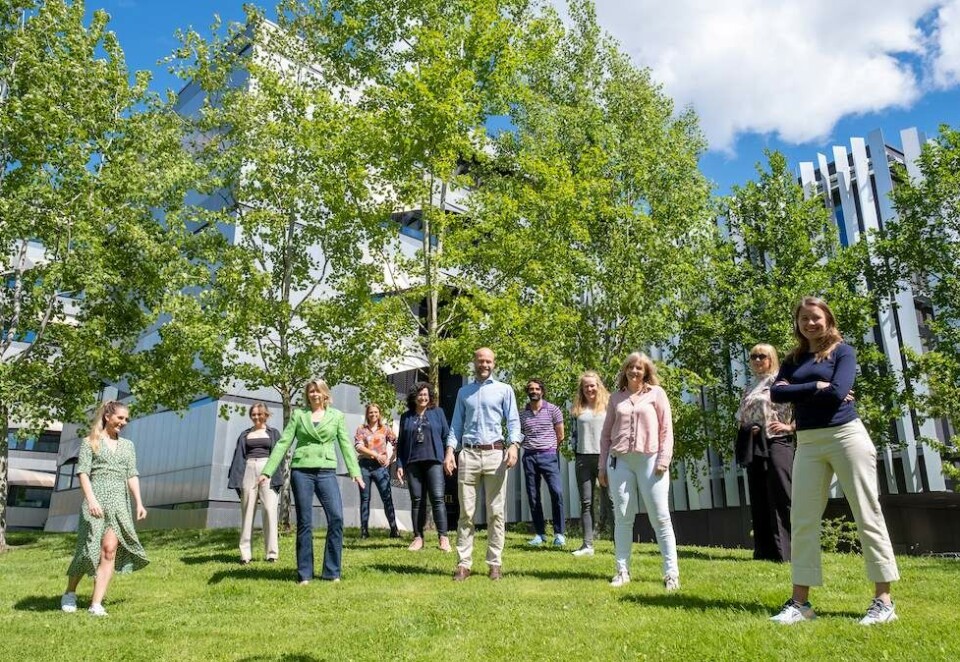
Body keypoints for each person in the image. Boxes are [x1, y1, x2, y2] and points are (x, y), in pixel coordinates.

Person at [769, 296, 900, 626]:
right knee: (802, 520)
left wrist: (803, 389)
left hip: (846, 435)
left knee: (866, 513)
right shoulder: (794, 358)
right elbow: (776, 394)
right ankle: (800, 604)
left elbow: (838, 390)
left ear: (827, 318)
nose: (810, 324)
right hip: (809, 442)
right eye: (804, 319)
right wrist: (815, 384)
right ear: (797, 324)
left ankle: (883, 601)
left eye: (815, 317)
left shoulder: (843, 351)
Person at [259, 379, 364, 584]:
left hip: (326, 470)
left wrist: (355, 471)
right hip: (302, 471)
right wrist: (268, 471)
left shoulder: (336, 416)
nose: (314, 394)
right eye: (311, 391)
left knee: (336, 518)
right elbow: (283, 443)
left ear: (325, 394)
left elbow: (345, 444)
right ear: (307, 395)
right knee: (305, 523)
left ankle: (332, 571)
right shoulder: (299, 415)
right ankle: (304, 573)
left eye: (318, 391)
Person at [600, 352, 680, 591]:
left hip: (651, 460)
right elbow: (605, 436)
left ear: (646, 372)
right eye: (630, 368)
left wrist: (664, 459)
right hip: (620, 461)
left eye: (639, 368)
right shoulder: (616, 398)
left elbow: (666, 428)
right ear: (625, 371)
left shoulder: (657, 394)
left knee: (660, 517)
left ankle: (671, 574)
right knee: (623, 517)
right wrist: (602, 465)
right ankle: (622, 570)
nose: (634, 371)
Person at [61, 400, 148, 616]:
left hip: (119, 502)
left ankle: (96, 604)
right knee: (87, 549)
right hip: (96, 500)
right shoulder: (90, 441)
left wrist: (139, 502)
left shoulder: (128, 446)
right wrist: (91, 500)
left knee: (109, 551)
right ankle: (70, 593)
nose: (124, 422)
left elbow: (132, 474)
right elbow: (82, 472)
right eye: (120, 417)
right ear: (108, 416)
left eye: (126, 419)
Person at [445, 347, 522, 581]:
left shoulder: (504, 390)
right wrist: (450, 451)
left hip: (495, 455)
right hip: (468, 455)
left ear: (493, 363)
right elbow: (456, 424)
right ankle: (463, 564)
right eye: (480, 361)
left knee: (496, 513)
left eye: (488, 361)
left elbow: (514, 421)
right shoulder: (463, 392)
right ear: (474, 363)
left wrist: (514, 445)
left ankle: (495, 563)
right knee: (466, 513)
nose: (484, 365)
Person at [735, 344, 795, 562]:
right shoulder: (750, 386)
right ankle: (764, 552)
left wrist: (791, 427)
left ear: (772, 359)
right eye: (753, 356)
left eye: (762, 356)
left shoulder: (781, 381)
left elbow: (805, 404)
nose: (758, 360)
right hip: (755, 444)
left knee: (782, 495)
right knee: (759, 496)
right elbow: (742, 415)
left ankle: (788, 553)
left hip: (778, 442)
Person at [397, 382, 451, 552]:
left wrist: (448, 457)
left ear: (430, 397)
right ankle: (418, 537)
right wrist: (400, 465)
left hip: (434, 460)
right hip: (413, 463)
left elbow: (446, 436)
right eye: (420, 394)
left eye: (426, 394)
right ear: (414, 397)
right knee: (417, 501)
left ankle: (443, 538)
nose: (423, 397)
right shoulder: (406, 417)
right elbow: (401, 443)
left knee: (437, 499)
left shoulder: (438, 413)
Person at [227, 402, 283, 564]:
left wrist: (274, 473)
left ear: (266, 415)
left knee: (269, 510)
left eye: (259, 414)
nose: (256, 417)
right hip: (248, 469)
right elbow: (238, 457)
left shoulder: (273, 433)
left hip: (268, 469)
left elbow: (279, 454)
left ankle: (271, 553)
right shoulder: (244, 434)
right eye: (254, 414)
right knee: (247, 511)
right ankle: (245, 554)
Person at [519, 379, 566, 547]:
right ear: (528, 392)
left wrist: (551, 449)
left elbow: (560, 434)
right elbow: (520, 434)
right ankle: (540, 534)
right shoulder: (522, 414)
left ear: (542, 391)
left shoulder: (553, 410)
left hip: (548, 456)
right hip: (529, 457)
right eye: (531, 389)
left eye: (537, 388)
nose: (534, 391)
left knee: (556, 492)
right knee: (533, 497)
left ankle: (559, 534)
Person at [570, 371, 611, 557]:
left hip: (605, 458)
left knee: (609, 501)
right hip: (583, 459)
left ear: (598, 386)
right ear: (582, 388)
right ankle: (587, 545)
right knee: (586, 503)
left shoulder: (608, 405)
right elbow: (573, 434)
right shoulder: (578, 408)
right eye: (586, 386)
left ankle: (620, 543)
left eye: (592, 385)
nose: (589, 389)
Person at [353, 403, 400, 539]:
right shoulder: (361, 429)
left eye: (376, 412)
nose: (373, 414)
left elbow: (397, 443)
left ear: (379, 414)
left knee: (387, 498)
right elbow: (358, 446)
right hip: (364, 466)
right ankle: (364, 531)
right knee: (365, 498)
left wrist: (391, 459)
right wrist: (376, 455)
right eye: (371, 412)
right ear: (367, 414)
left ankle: (394, 529)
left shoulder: (385, 429)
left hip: (380, 468)